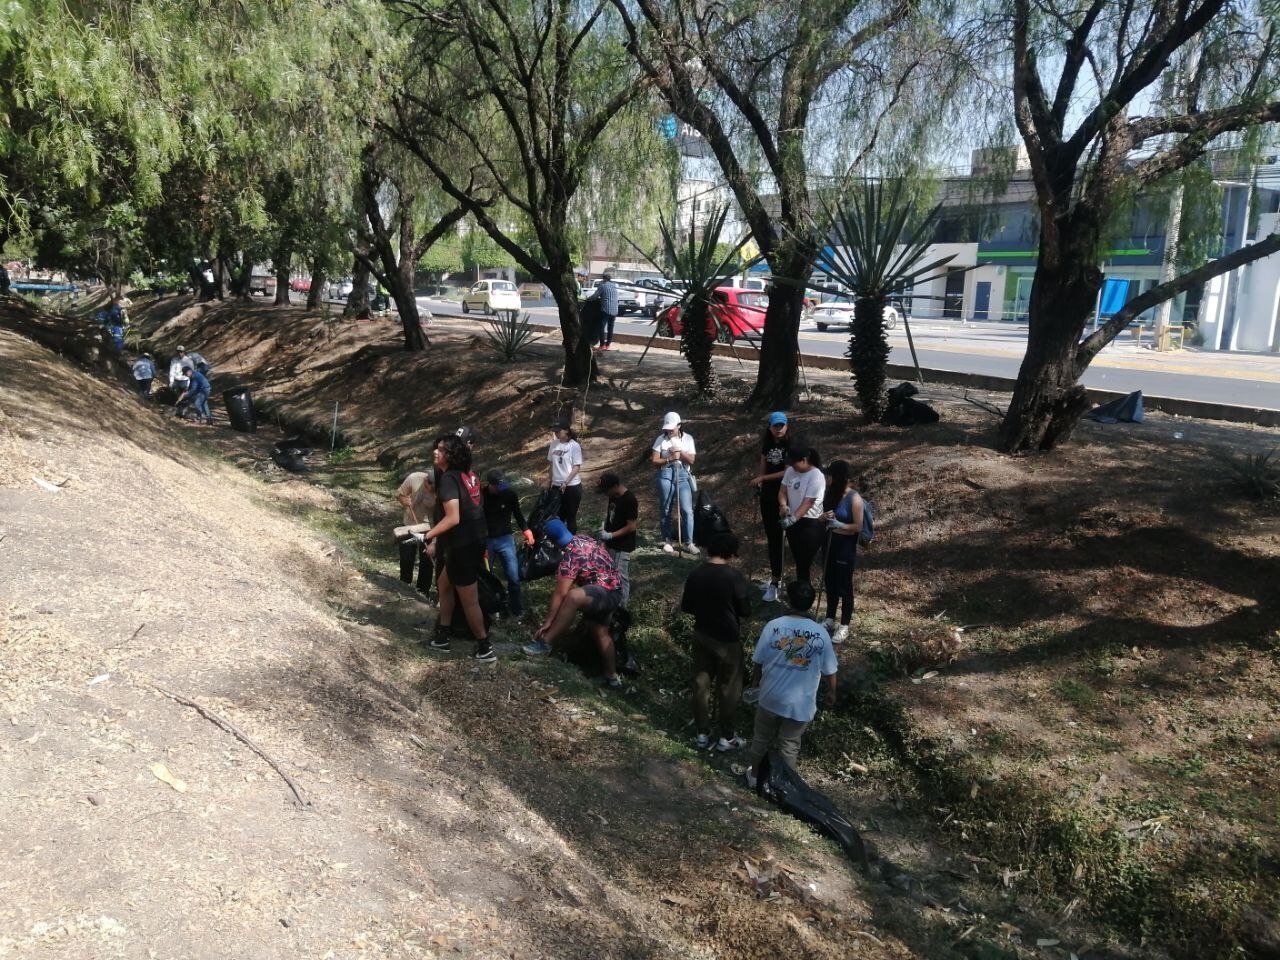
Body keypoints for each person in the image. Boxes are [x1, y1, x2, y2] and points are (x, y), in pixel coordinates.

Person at [744, 581, 838, 788]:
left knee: (761, 738)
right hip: (800, 704)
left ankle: (754, 777)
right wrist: (832, 692)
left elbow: (758, 661)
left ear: (788, 601)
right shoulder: (821, 633)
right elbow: (831, 670)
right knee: (789, 745)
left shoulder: (774, 626)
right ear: (811, 603)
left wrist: (755, 682)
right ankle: (783, 787)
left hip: (769, 697)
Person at [524, 518, 624, 687]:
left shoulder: (570, 557)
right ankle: (612, 676)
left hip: (604, 592)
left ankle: (545, 644)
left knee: (573, 597)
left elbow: (560, 593)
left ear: (553, 542)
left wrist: (548, 622)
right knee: (600, 632)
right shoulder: (583, 538)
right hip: (614, 590)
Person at [421, 435, 495, 662]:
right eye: (436, 448)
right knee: (443, 584)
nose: (436, 452)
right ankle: (442, 637)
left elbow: (453, 518)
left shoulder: (449, 480)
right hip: (473, 541)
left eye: (442, 450)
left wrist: (428, 534)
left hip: (463, 545)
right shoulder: (469, 476)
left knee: (469, 600)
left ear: (452, 455)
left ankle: (484, 648)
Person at [680, 531, 752, 752]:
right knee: (728, 689)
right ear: (730, 552)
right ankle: (727, 736)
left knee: (701, 685)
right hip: (727, 641)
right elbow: (746, 610)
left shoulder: (696, 573)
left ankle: (702, 734)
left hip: (701, 634)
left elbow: (686, 607)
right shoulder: (733, 577)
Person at [819, 459, 865, 644]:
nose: (826, 478)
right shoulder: (830, 493)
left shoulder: (854, 498)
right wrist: (823, 518)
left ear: (838, 478)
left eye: (829, 475)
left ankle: (844, 624)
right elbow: (821, 518)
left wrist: (841, 525)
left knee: (844, 585)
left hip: (845, 545)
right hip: (829, 541)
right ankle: (830, 617)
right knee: (829, 581)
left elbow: (858, 526)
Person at [750, 411, 792, 602]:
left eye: (782, 425)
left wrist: (763, 478)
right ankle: (775, 577)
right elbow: (762, 465)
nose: (779, 429)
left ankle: (779, 580)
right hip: (767, 497)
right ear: (770, 427)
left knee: (781, 539)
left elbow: (788, 472)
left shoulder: (790, 446)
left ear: (787, 426)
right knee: (772, 538)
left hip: (784, 498)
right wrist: (760, 483)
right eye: (775, 426)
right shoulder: (767, 445)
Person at [483, 470, 534, 621]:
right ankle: (491, 608)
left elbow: (517, 513)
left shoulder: (509, 494)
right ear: (490, 485)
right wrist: (480, 544)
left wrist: (526, 530)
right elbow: (476, 519)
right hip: (487, 540)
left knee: (513, 576)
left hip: (506, 539)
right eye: (498, 487)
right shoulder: (481, 496)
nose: (501, 489)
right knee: (487, 577)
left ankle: (516, 608)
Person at [778, 441, 825, 584]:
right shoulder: (790, 471)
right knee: (798, 560)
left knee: (804, 561)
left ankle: (804, 593)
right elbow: (782, 491)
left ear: (804, 460)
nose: (792, 466)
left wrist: (792, 519)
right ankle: (801, 591)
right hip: (793, 521)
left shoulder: (816, 475)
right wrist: (783, 505)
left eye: (794, 463)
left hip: (810, 524)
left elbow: (808, 502)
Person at [651, 411, 698, 555]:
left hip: (683, 475)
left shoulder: (688, 439)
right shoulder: (661, 439)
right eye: (667, 428)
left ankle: (688, 542)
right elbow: (654, 461)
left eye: (672, 428)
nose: (669, 431)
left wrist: (680, 452)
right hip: (665, 475)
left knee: (687, 510)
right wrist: (670, 458)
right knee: (666, 508)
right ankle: (667, 540)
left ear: (679, 425)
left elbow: (691, 460)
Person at [596, 472, 637, 606]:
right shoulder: (613, 496)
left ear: (615, 486)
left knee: (620, 576)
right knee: (608, 572)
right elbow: (610, 517)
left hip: (622, 545)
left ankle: (621, 608)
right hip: (611, 543)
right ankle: (609, 600)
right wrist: (604, 533)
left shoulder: (629, 499)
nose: (605, 494)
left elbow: (631, 526)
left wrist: (611, 535)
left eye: (606, 490)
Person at [396, 467, 437, 600]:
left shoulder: (442, 491)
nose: (430, 489)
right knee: (406, 558)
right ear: (426, 479)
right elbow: (400, 494)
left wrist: (435, 541)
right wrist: (404, 501)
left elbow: (442, 517)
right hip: (409, 525)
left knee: (426, 560)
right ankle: (405, 586)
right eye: (428, 485)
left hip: (429, 528)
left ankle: (422, 591)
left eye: (434, 487)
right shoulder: (414, 478)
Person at [548, 422, 583, 533]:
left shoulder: (574, 446)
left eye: (559, 431)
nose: (556, 433)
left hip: (572, 486)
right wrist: (550, 481)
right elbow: (551, 464)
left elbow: (576, 467)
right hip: (556, 486)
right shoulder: (554, 444)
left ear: (566, 431)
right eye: (555, 431)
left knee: (570, 516)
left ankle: (572, 542)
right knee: (557, 516)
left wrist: (566, 483)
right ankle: (559, 542)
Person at [591, 273, 619, 350]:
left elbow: (594, 296)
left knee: (601, 326)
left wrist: (587, 299)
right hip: (615, 310)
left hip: (606, 309)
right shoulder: (614, 286)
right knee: (610, 327)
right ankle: (608, 345)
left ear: (604, 279)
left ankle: (602, 345)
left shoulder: (603, 286)